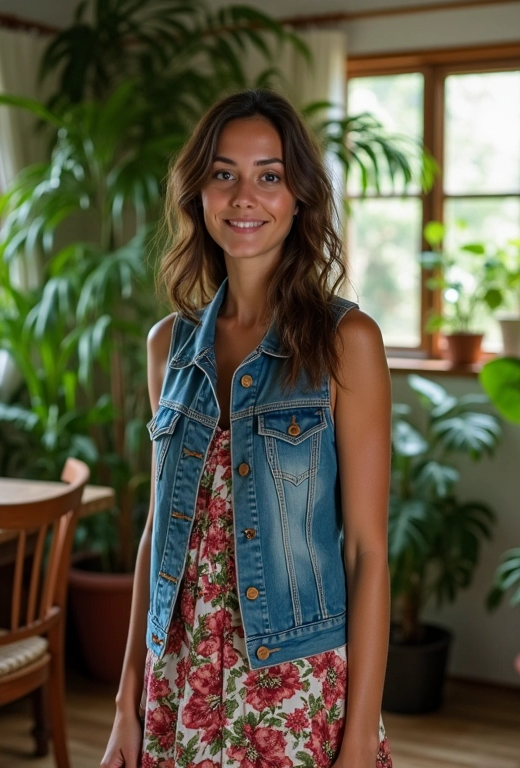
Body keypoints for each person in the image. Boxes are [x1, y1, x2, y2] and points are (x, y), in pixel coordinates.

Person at [101, 88, 392, 768]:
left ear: (299, 197)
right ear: (198, 193)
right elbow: (158, 533)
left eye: (269, 175)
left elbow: (367, 552)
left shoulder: (346, 342)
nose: (243, 197)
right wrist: (126, 703)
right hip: (181, 677)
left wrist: (358, 736)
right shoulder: (168, 346)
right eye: (223, 173)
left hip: (296, 684)